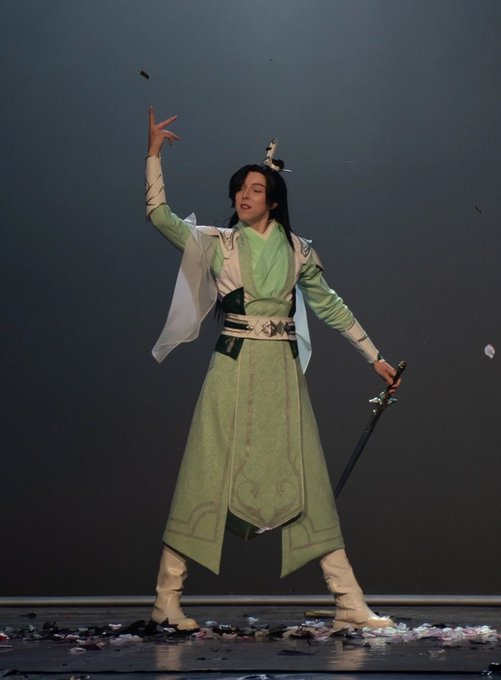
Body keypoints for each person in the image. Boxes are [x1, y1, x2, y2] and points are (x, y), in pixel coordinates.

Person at [145, 108, 401, 633]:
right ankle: (166, 600)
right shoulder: (218, 243)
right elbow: (160, 216)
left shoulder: (299, 251)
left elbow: (329, 304)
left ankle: (348, 600)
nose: (244, 196)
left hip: (282, 377)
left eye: (255, 189)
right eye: (240, 189)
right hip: (232, 370)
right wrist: (153, 156)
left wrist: (373, 355)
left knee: (308, 481)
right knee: (204, 475)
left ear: (274, 200)